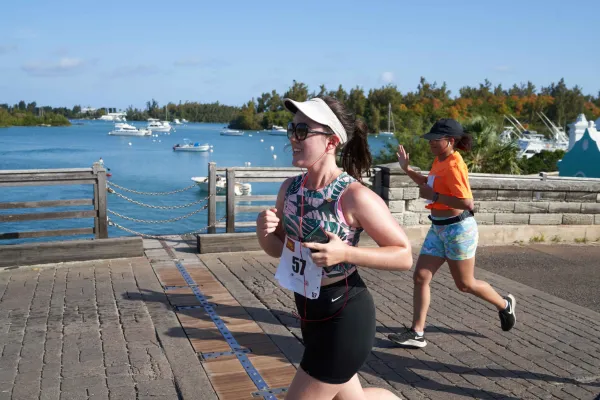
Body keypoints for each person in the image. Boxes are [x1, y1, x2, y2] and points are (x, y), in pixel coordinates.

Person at [256, 96, 413, 400]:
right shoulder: (289, 190)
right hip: (309, 312)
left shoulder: (354, 196)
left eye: (303, 131)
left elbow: (404, 254)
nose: (293, 137)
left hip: (345, 315)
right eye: (293, 128)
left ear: (331, 142)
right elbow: (280, 251)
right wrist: (265, 235)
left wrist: (346, 254)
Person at [388, 118, 516, 349]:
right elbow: (429, 184)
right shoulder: (440, 160)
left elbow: (467, 202)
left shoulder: (455, 165)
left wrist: (435, 197)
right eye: (431, 139)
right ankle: (417, 333)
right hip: (438, 227)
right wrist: (407, 170)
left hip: (458, 229)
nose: (431, 143)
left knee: (465, 284)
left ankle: (504, 305)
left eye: (436, 140)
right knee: (421, 277)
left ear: (450, 141)